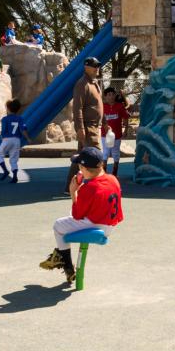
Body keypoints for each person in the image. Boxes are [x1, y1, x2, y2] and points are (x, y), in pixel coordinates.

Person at [39, 147, 124, 283]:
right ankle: (59, 255)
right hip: (110, 226)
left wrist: (74, 192)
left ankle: (66, 264)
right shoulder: (113, 179)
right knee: (68, 219)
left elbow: (77, 214)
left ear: (83, 168)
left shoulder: (89, 188)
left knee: (58, 225)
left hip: (95, 226)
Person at [69, 57, 103, 190]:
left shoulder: (94, 83)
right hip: (88, 127)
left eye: (98, 66)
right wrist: (80, 128)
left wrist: (105, 122)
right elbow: (77, 108)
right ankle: (99, 185)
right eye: (94, 66)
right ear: (86, 67)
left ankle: (71, 186)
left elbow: (99, 105)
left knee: (83, 157)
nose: (97, 68)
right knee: (96, 156)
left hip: (95, 126)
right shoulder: (82, 84)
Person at [0, 99, 33, 183]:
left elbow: (3, 130)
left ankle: (5, 171)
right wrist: (28, 138)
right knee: (14, 159)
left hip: (7, 139)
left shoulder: (5, 119)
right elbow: (23, 129)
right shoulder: (20, 118)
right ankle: (15, 177)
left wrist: (2, 137)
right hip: (17, 140)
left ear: (8, 108)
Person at [100, 87, 130, 176]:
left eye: (113, 94)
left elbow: (125, 118)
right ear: (105, 97)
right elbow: (98, 118)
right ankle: (104, 173)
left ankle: (114, 172)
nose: (111, 97)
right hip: (105, 135)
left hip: (117, 135)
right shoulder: (102, 107)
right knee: (105, 153)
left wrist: (126, 129)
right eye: (109, 95)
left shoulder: (120, 106)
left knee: (115, 153)